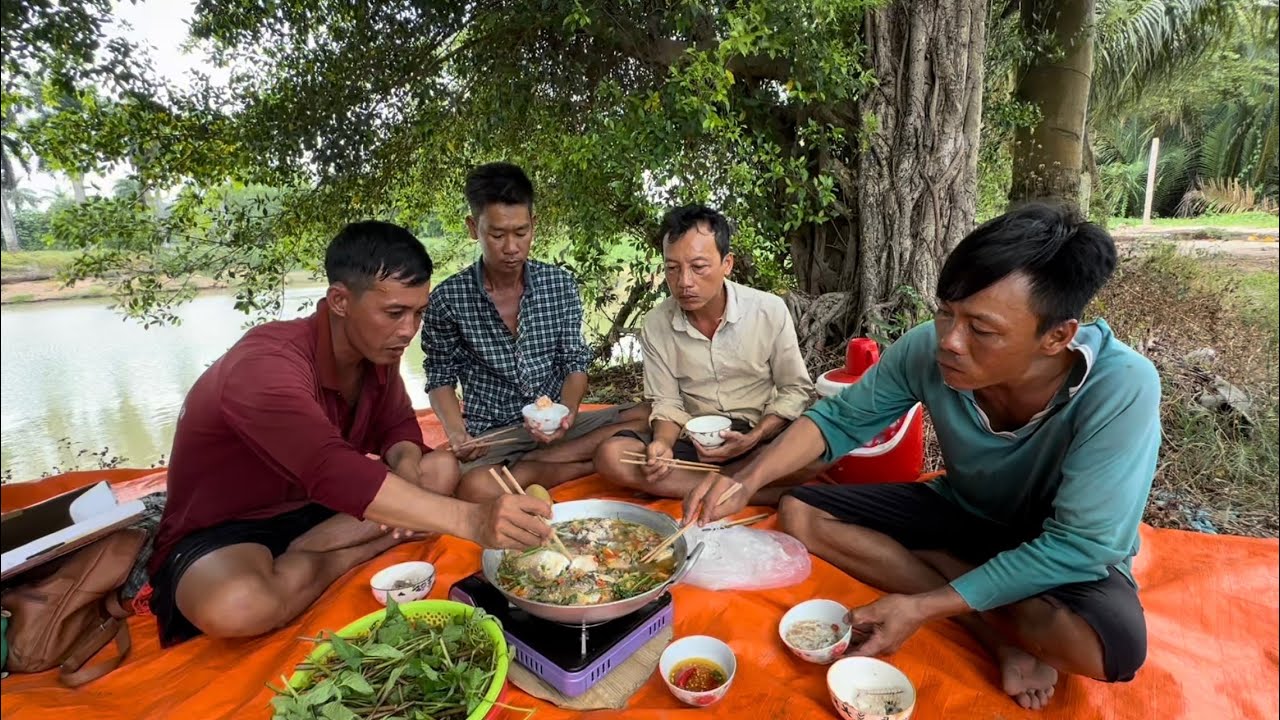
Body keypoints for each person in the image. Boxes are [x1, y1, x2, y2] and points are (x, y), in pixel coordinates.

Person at [683, 203, 1159, 710]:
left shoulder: (1121, 385)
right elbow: (840, 420)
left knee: (1109, 648)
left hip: (1055, 545)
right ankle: (988, 629)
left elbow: (1082, 545)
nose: (950, 341)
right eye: (946, 312)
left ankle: (945, 577)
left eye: (982, 329)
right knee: (800, 510)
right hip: (964, 511)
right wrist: (748, 479)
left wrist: (922, 605)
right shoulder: (924, 349)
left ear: (1056, 336)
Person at [148, 221, 553, 647]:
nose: (408, 331)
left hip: (324, 507)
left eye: (419, 313)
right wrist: (469, 519)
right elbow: (328, 466)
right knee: (239, 605)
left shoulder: (376, 353)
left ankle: (319, 548)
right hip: (234, 526)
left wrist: (408, 469)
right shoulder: (265, 365)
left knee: (438, 468)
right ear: (340, 300)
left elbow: (397, 428)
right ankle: (326, 554)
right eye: (395, 313)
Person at [420, 162, 648, 501]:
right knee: (474, 488)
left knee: (649, 415)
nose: (511, 247)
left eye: (521, 233)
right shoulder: (448, 298)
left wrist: (566, 414)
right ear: (473, 228)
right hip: (497, 434)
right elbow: (440, 378)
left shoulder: (559, 284)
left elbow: (574, 363)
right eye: (497, 235)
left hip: (558, 427)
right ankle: (571, 465)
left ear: (534, 226)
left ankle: (536, 463)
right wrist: (457, 433)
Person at [593, 204, 819, 501]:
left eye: (698, 267)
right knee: (612, 456)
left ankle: (726, 481)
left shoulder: (767, 310)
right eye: (672, 268)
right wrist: (661, 444)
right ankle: (754, 490)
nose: (684, 282)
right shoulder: (658, 323)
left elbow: (795, 390)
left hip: (757, 434)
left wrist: (755, 435)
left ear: (727, 264)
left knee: (819, 453)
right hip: (694, 442)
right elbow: (667, 403)